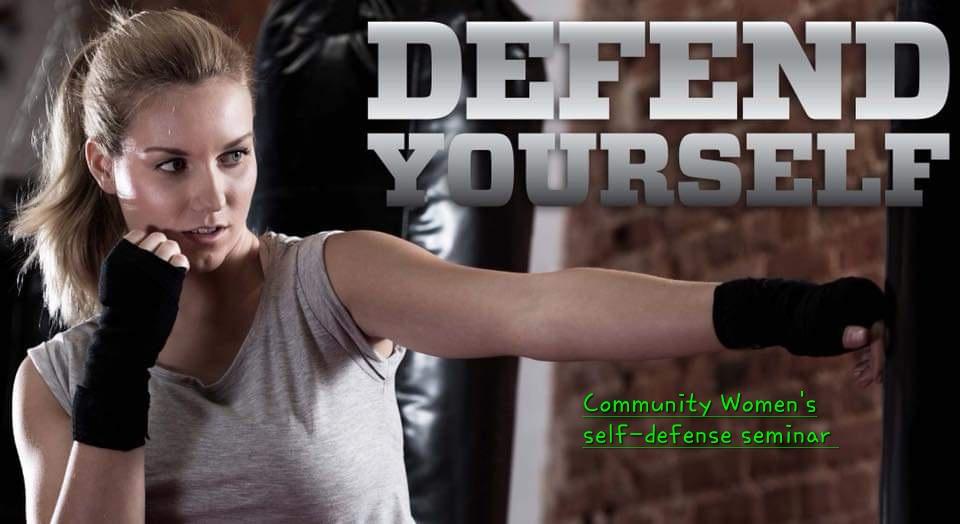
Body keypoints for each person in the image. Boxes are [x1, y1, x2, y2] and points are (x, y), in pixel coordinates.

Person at [7, 8, 886, 524]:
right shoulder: (55, 381)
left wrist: (784, 311)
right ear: (103, 166)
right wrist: (120, 365)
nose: (212, 199)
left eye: (233, 155)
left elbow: (535, 312)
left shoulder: (329, 284)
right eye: (172, 166)